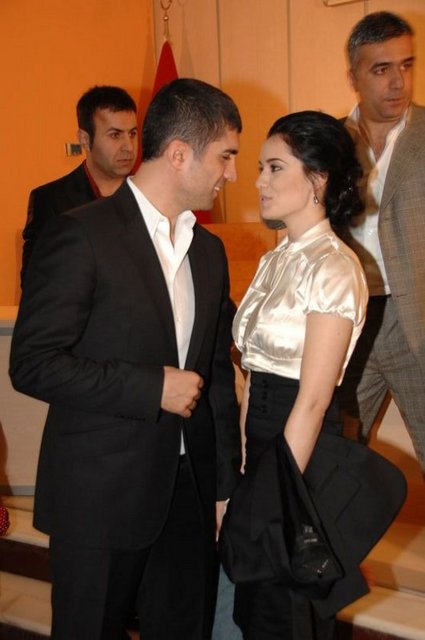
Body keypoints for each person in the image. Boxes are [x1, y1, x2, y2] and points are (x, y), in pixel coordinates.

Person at [9, 78, 242, 640]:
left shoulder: (209, 252)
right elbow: (32, 362)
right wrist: (150, 387)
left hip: (189, 493)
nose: (233, 173)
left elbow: (214, 378)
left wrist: (223, 486)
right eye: (225, 155)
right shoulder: (80, 234)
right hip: (100, 494)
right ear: (180, 154)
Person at [231, 111, 368, 639]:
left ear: (318, 178)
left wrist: (276, 490)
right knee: (258, 608)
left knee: (287, 609)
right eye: (260, 168)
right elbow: (254, 372)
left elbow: (312, 400)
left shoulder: (334, 266)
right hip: (263, 446)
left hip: (300, 454)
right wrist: (244, 466)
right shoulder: (277, 259)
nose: (258, 182)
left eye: (274, 167)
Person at [337, 11, 425, 472]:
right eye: (381, 69)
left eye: (407, 65)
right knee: (337, 460)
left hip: (419, 320)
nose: (398, 82)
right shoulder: (328, 142)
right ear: (353, 76)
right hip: (349, 322)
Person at [21, 84, 138, 282]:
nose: (128, 147)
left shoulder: (151, 196)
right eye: (115, 135)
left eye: (133, 133)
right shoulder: (51, 200)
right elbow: (36, 283)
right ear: (84, 140)